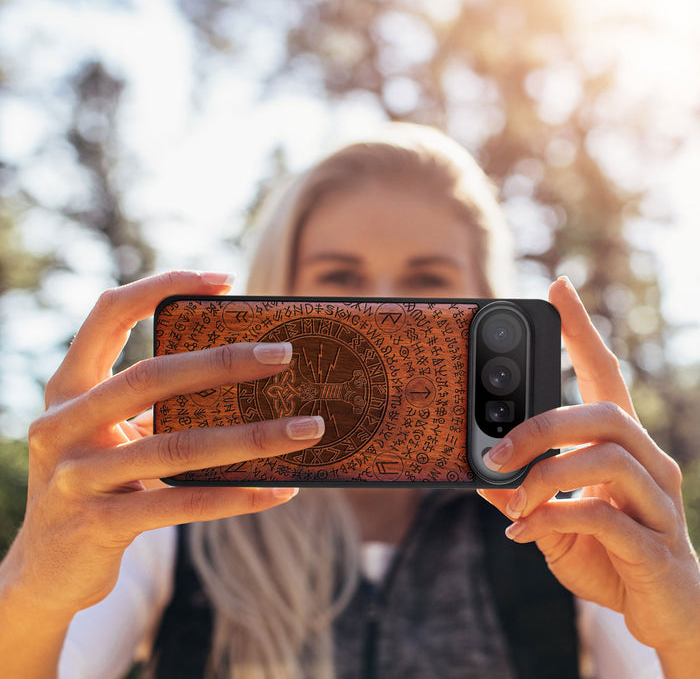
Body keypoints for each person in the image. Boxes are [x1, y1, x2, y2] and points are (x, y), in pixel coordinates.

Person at [0, 124, 698, 679]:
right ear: (279, 294)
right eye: (340, 278)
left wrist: (685, 627)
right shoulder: (170, 514)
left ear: (487, 303)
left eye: (427, 282)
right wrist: (34, 586)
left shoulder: (567, 522)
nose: (386, 308)